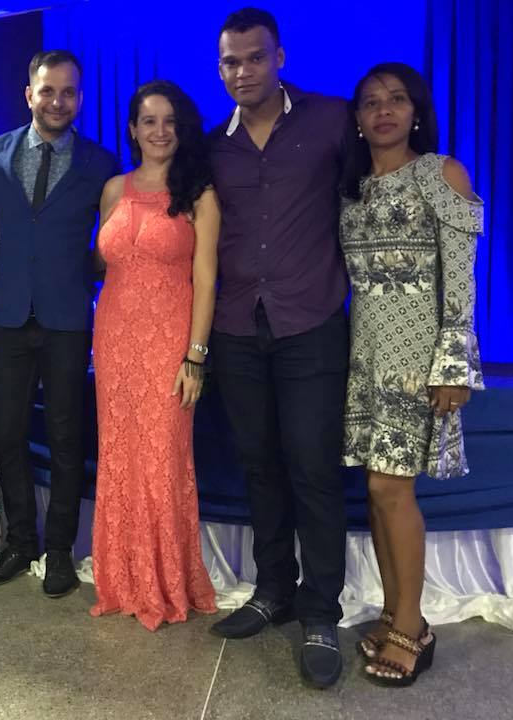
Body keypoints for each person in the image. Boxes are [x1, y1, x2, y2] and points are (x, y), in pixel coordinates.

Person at [206, 8, 351, 687]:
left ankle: (321, 612)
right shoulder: (215, 146)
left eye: (255, 57)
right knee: (259, 465)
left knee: (313, 469)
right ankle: (273, 590)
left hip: (311, 323)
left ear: (280, 57)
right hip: (238, 328)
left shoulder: (331, 120)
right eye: (231, 61)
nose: (243, 71)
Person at [342, 62, 483, 686]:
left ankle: (412, 626)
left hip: (417, 357)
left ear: (416, 110)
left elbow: (461, 280)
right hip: (364, 355)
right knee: (376, 491)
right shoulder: (352, 188)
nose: (384, 111)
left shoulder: (441, 173)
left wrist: (453, 366)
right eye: (372, 102)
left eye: (397, 99)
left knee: (391, 490)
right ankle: (394, 611)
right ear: (357, 118)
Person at [0, 50, 120, 597]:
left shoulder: (101, 163)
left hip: (66, 319)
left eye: (68, 92)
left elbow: (111, 240)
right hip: (9, 316)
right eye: (48, 90)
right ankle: (20, 541)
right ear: (29, 94)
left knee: (66, 437)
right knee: (8, 434)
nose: (58, 101)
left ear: (80, 98)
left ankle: (59, 549)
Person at [90, 80, 219, 630]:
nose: (159, 131)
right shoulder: (113, 189)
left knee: (163, 459)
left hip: (170, 344)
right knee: (119, 456)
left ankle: (165, 583)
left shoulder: (199, 194)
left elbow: (206, 279)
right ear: (133, 129)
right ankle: (121, 579)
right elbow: (106, 265)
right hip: (114, 340)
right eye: (149, 121)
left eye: (169, 121)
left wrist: (195, 356)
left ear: (182, 129)